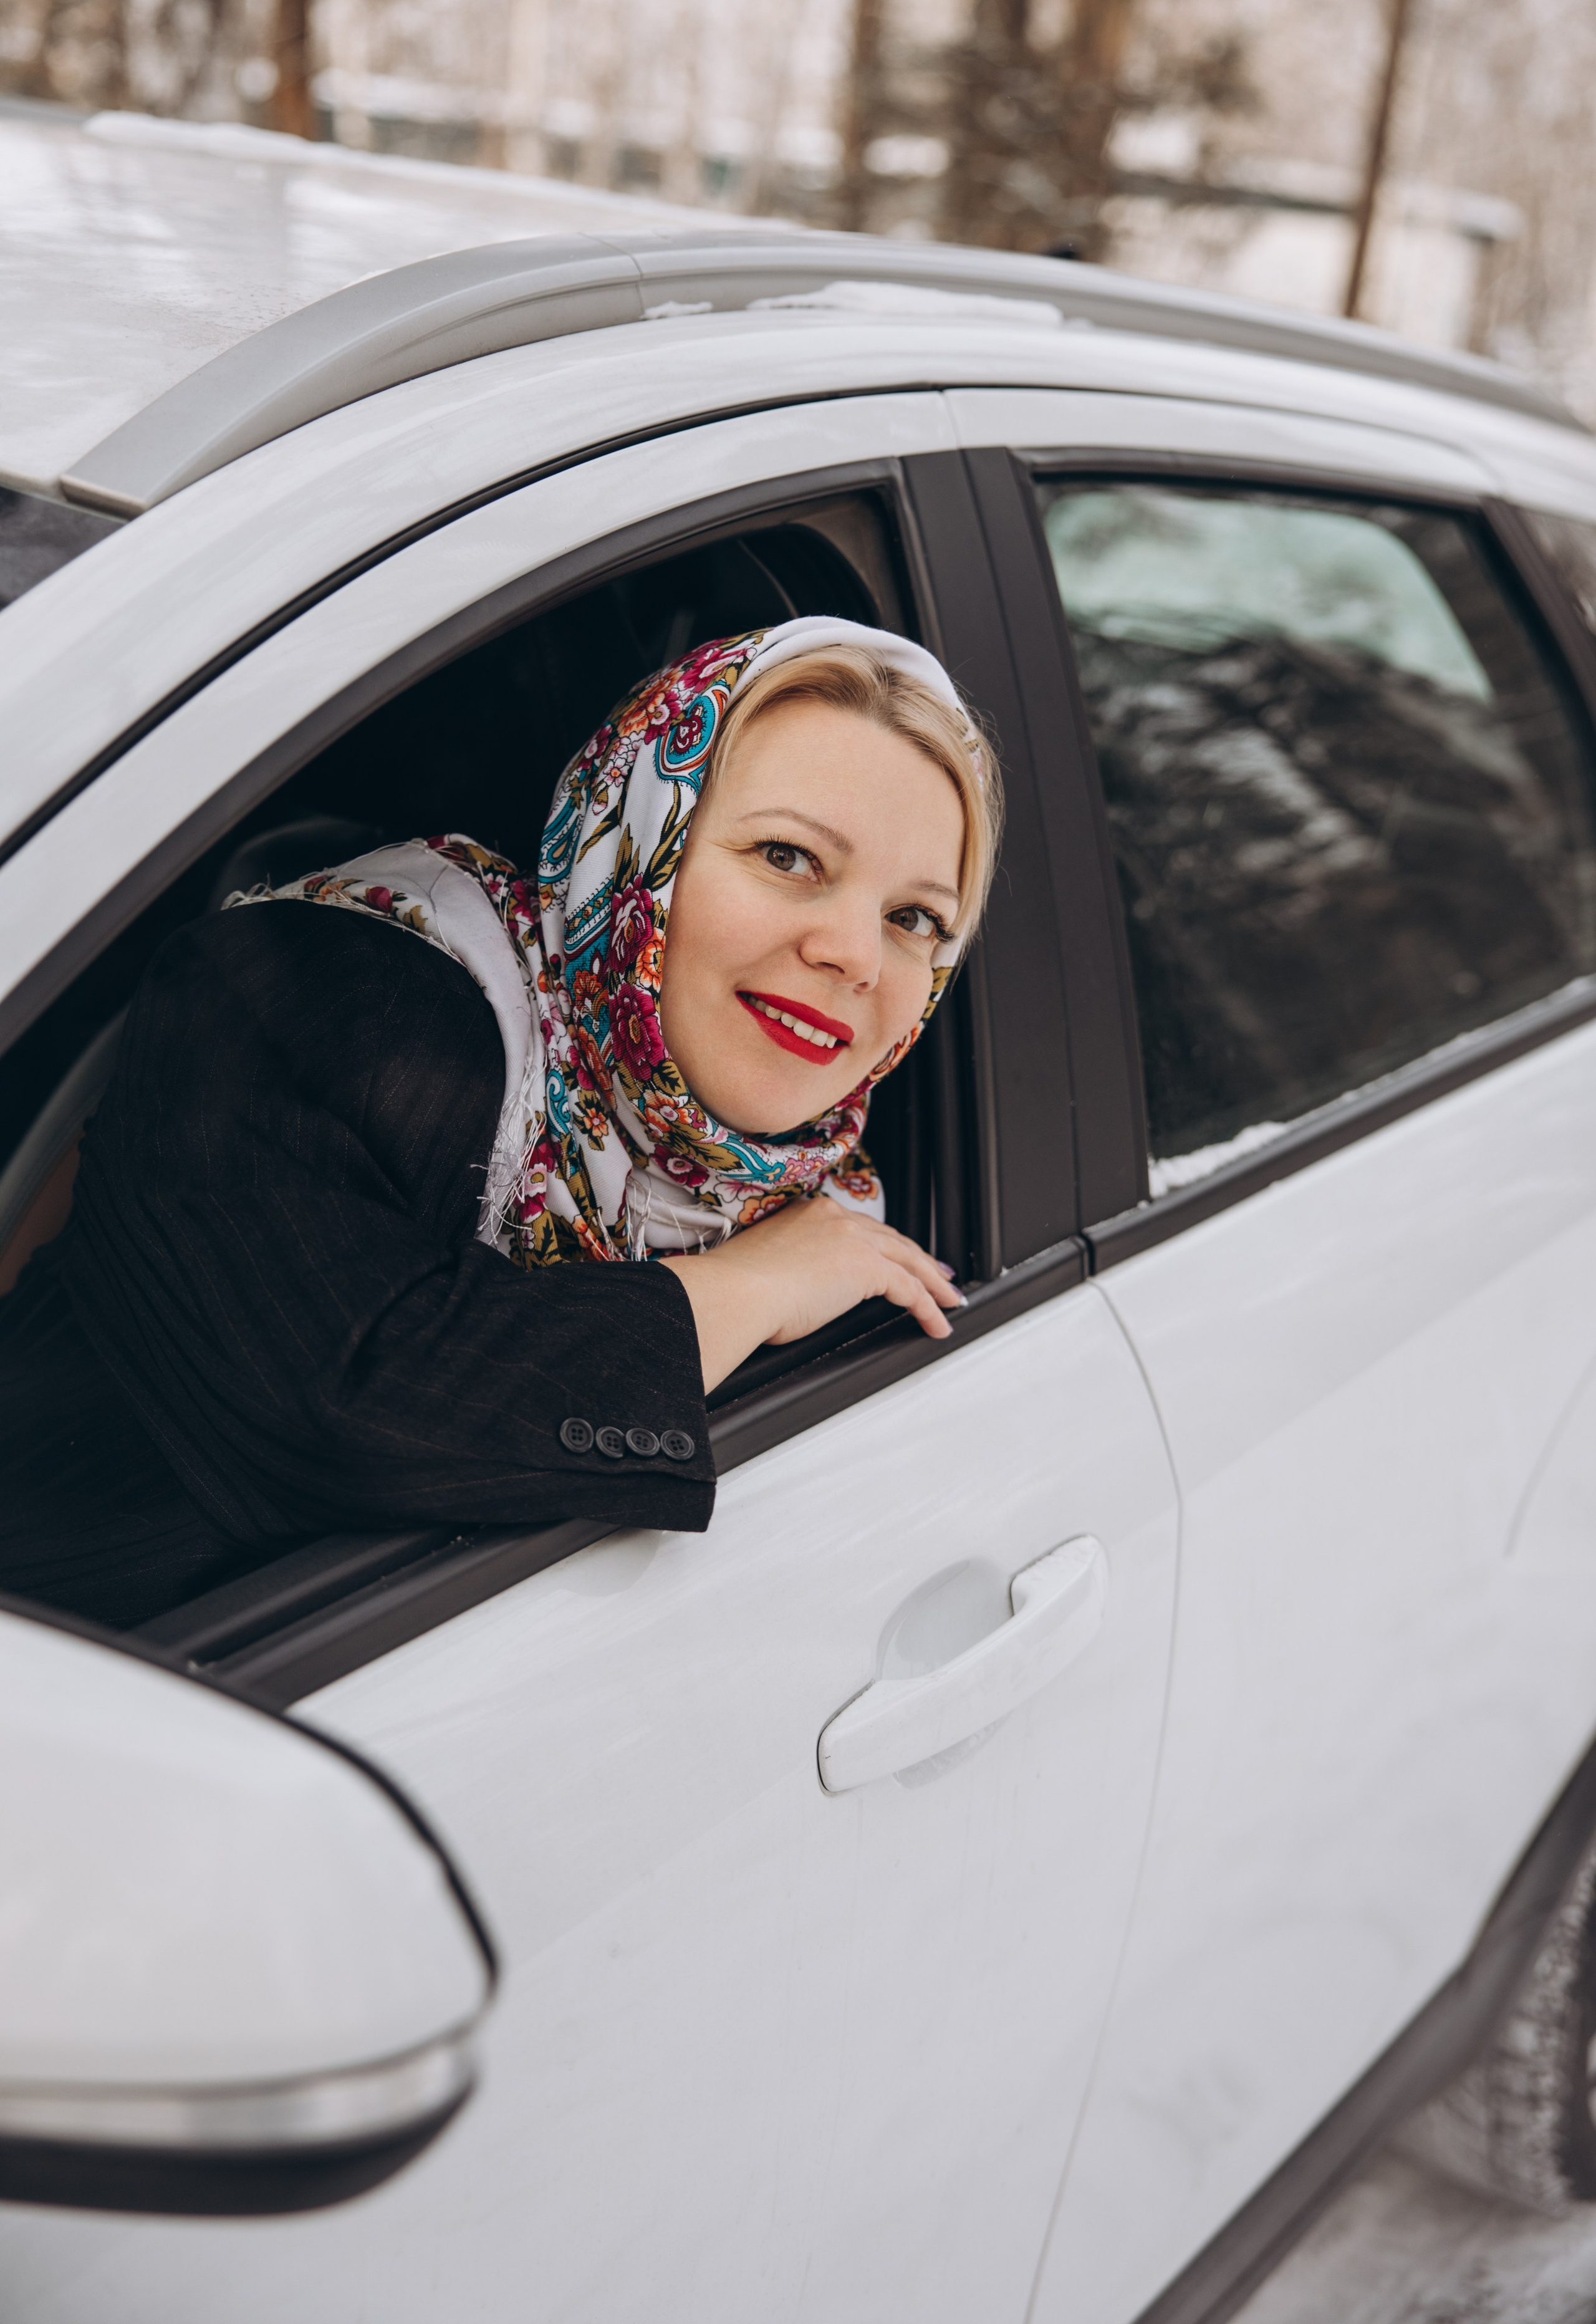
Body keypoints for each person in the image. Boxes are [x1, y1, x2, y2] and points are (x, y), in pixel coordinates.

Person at [0, 619, 1000, 1629]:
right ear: (638, 854)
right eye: (788, 856)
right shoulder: (313, 999)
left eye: (915, 919)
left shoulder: (824, 1192)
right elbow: (342, 1405)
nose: (856, 956)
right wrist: (749, 1288)